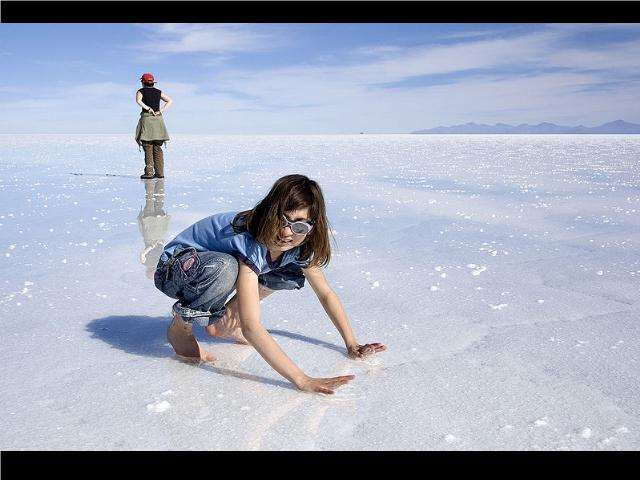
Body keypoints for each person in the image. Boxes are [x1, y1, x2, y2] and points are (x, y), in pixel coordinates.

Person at [154, 174, 386, 394]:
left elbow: (325, 293)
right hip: (175, 270)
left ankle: (224, 323)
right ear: (269, 212)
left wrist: (352, 344)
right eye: (281, 220)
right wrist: (302, 379)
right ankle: (181, 327)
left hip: (214, 268)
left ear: (311, 228)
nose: (286, 232)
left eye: (299, 226)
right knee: (226, 267)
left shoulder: (301, 246)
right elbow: (252, 327)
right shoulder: (250, 240)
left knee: (289, 268)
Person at [135, 73, 172, 179]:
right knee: (157, 147)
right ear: (152, 82)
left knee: (148, 146)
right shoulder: (158, 92)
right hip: (158, 120)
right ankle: (160, 173)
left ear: (143, 82)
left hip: (147, 120)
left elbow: (138, 101)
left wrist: (147, 108)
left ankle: (149, 173)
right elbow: (170, 100)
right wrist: (161, 111)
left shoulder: (140, 91)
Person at [138, 178, 171, 279]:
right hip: (156, 236)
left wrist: (152, 247)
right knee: (156, 207)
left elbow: (144, 253)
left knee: (153, 207)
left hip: (153, 236)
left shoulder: (148, 262)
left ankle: (153, 187)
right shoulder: (159, 263)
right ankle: (155, 187)